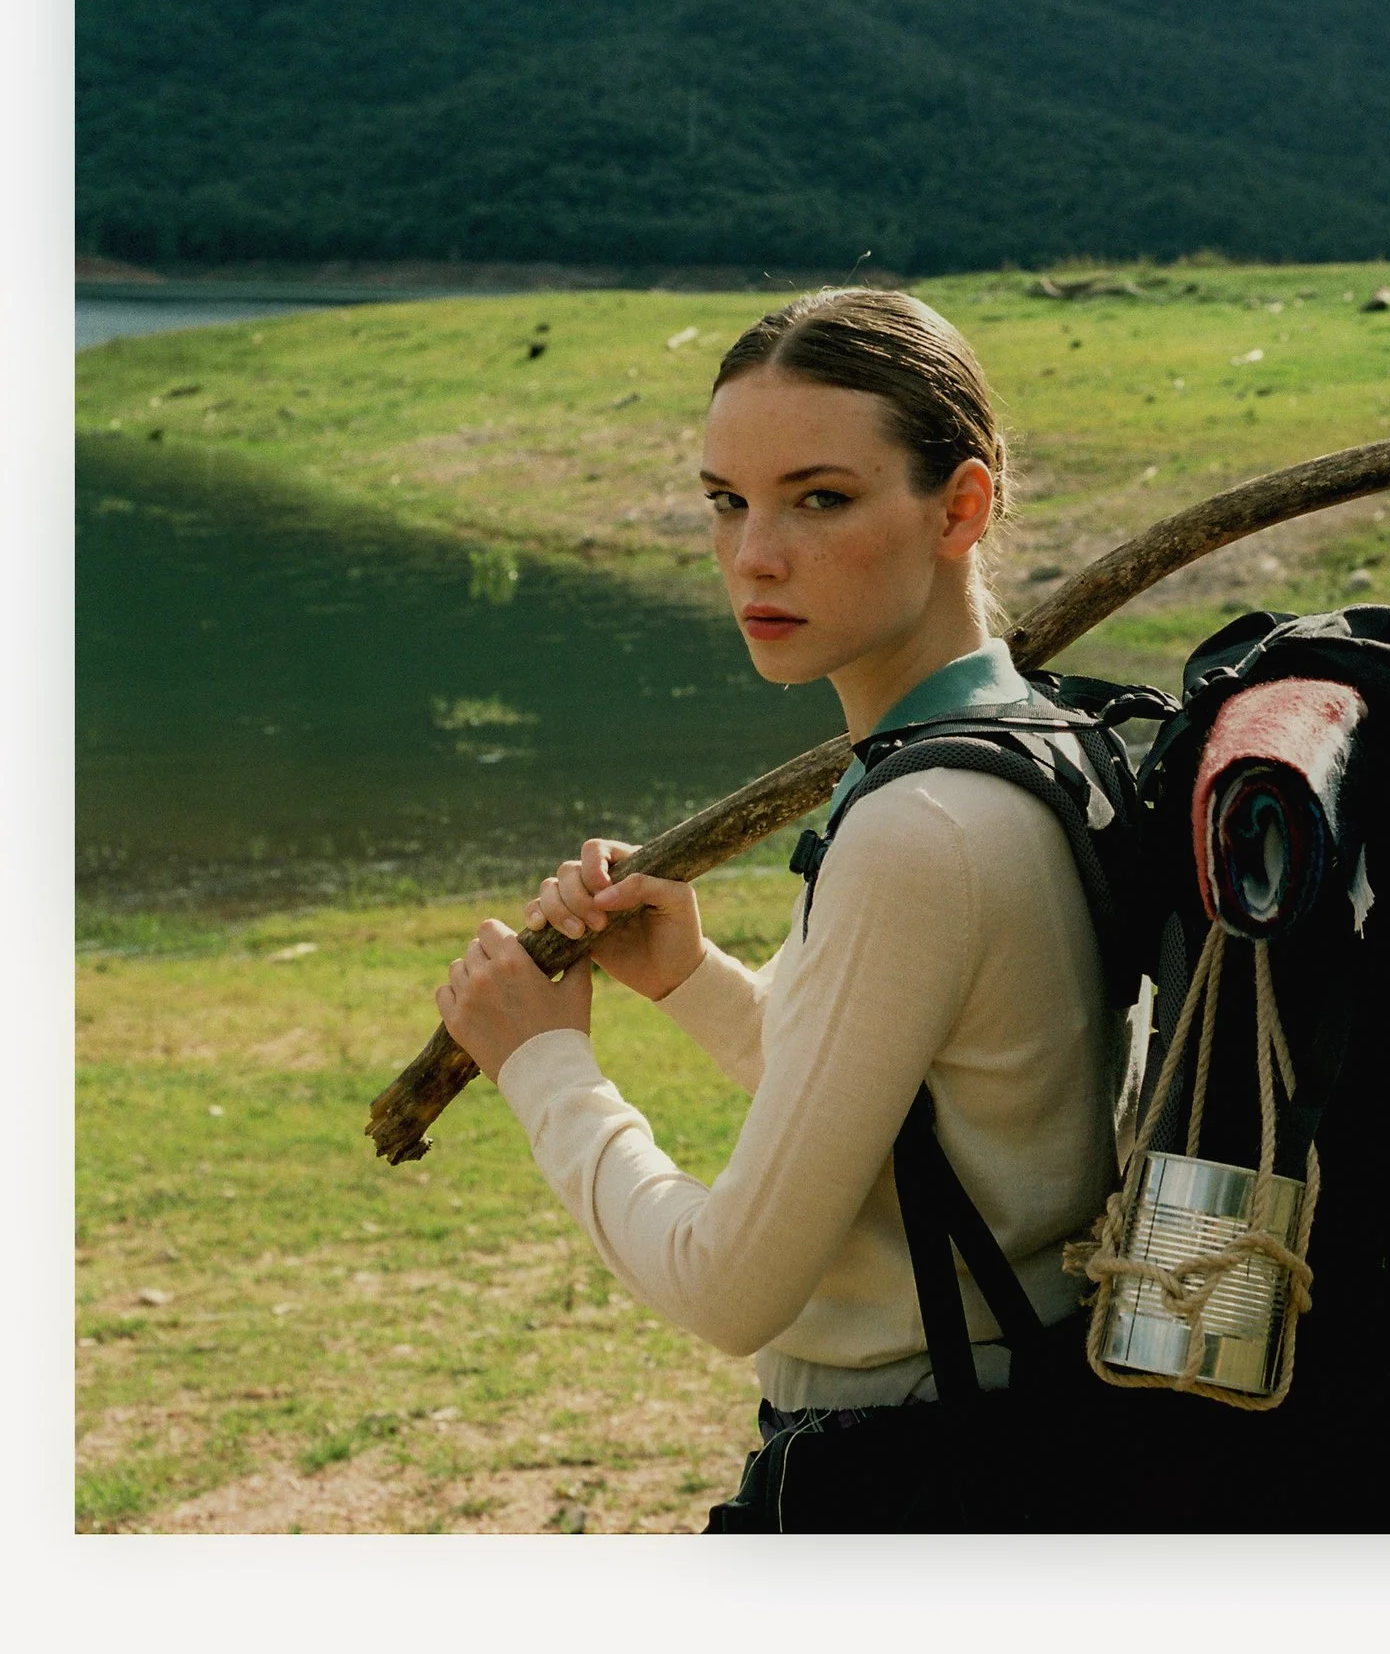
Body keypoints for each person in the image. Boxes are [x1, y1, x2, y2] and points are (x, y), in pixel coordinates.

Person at [431, 287, 1122, 1528]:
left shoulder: (920, 827)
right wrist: (691, 982)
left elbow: (728, 1285)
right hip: (1032, 1437)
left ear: (960, 505)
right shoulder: (1043, 745)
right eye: (725, 501)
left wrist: (543, 1066)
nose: (753, 554)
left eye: (820, 499)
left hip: (914, 1483)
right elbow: (934, 1119)